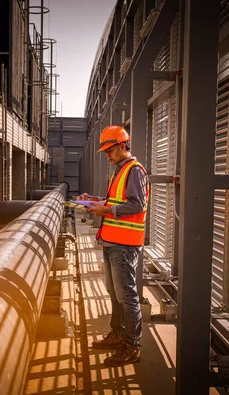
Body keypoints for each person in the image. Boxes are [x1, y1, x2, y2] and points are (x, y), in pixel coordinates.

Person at [78, 125, 149, 367]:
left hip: (125, 245)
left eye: (110, 150)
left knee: (126, 295)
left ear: (122, 146)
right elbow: (117, 201)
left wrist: (106, 209)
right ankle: (118, 334)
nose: (107, 155)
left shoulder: (134, 170)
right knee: (114, 292)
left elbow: (137, 204)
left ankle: (132, 345)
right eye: (105, 151)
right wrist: (95, 201)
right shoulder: (120, 171)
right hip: (112, 241)